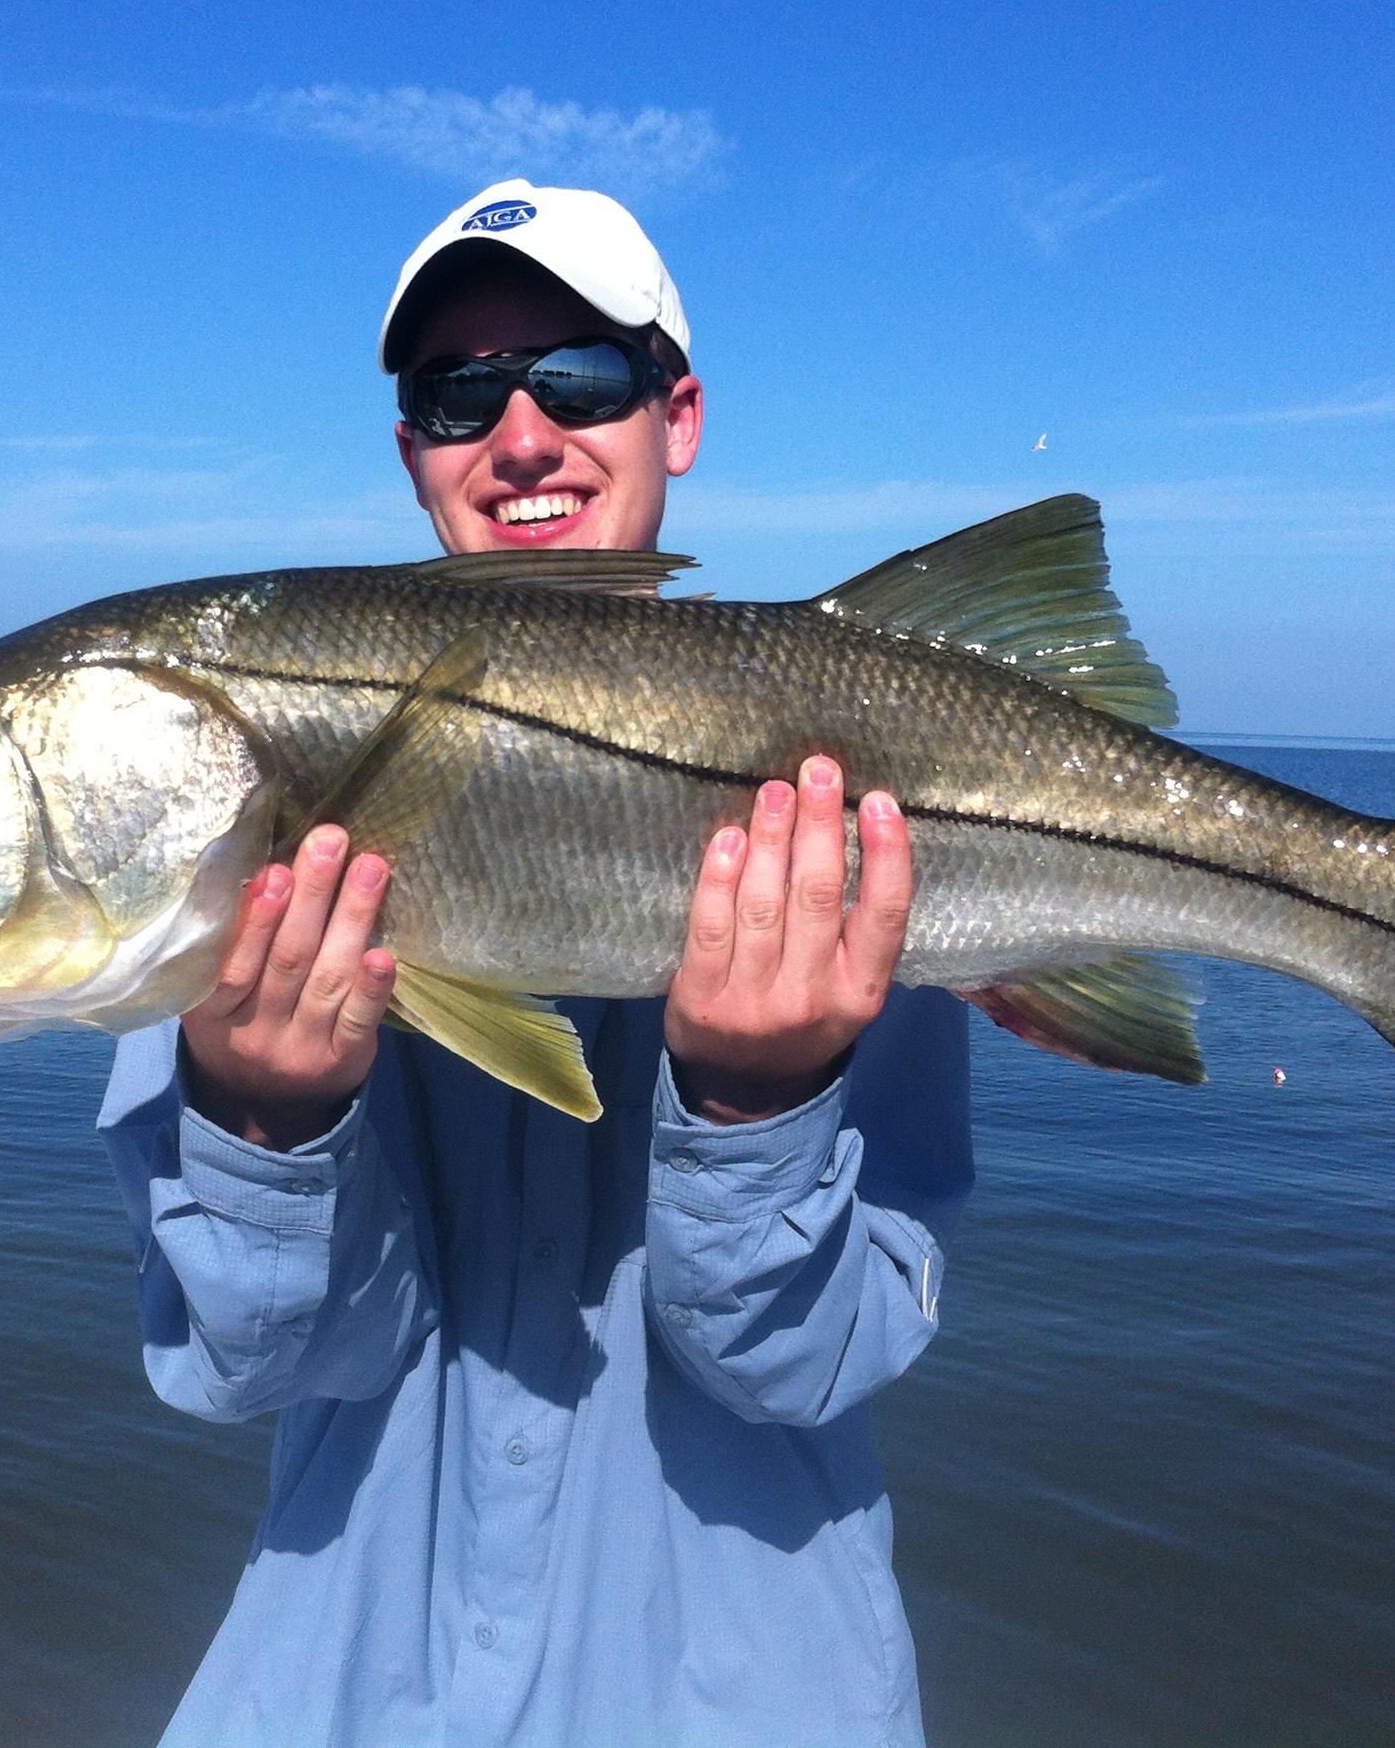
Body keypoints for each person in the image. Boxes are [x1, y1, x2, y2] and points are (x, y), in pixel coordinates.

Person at [98, 179, 974, 1748]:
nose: (521, 438)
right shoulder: (234, 861)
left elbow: (801, 1367)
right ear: (412, 449)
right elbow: (257, 1367)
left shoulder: (848, 820)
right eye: (457, 394)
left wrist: (760, 1107)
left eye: (579, 379)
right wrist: (264, 1132)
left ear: (677, 414)